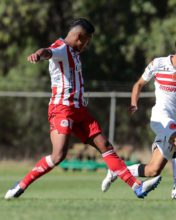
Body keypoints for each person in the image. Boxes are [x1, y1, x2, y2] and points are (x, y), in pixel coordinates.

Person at [4, 18, 161, 200]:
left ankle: (137, 186)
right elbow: (48, 52)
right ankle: (21, 185)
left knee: (105, 145)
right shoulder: (61, 48)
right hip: (62, 108)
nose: (87, 46)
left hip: (79, 110)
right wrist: (38, 55)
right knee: (58, 156)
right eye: (87, 41)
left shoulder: (75, 53)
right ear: (79, 36)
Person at [100, 33, 176, 199]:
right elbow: (139, 84)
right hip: (160, 117)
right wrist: (134, 102)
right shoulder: (158, 63)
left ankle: (116, 170)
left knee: (152, 170)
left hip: (174, 121)